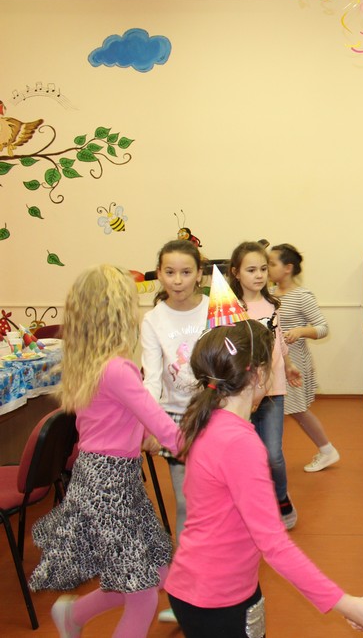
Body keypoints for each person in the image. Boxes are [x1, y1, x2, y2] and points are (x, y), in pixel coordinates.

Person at [164, 321, 363, 636]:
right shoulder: (240, 443)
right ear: (258, 374)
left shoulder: (207, 421)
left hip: (198, 587)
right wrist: (344, 602)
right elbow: (274, 544)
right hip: (218, 598)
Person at [30, 265, 183, 637]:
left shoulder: (92, 364)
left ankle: (74, 614)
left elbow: (112, 420)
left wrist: (142, 434)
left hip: (107, 480)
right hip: (109, 488)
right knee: (143, 595)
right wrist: (211, 442)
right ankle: (74, 615)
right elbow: (168, 431)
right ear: (118, 315)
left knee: (156, 571)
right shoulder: (118, 370)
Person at [139, 239, 209, 624]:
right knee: (185, 504)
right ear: (159, 275)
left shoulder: (215, 309)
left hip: (215, 417)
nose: (178, 280)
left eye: (185, 272)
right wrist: (150, 422)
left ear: (199, 274)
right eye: (169, 272)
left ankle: (220, 581)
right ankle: (187, 595)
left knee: (219, 502)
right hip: (175, 424)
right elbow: (151, 380)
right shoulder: (153, 320)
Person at [228, 241, 301, 529]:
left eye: (262, 269)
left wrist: (289, 364)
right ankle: (253, 502)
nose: (259, 275)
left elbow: (277, 340)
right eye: (251, 270)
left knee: (272, 454)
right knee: (246, 455)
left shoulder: (272, 305)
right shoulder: (230, 309)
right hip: (241, 393)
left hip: (272, 390)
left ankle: (281, 497)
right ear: (236, 272)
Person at [267, 243, 339, 473]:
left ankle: (327, 450)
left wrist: (300, 331)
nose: (267, 268)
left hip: (295, 362)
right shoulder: (268, 295)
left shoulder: (301, 296)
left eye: (272, 263)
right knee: (282, 410)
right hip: (274, 363)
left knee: (298, 410)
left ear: (288, 268)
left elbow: (323, 328)